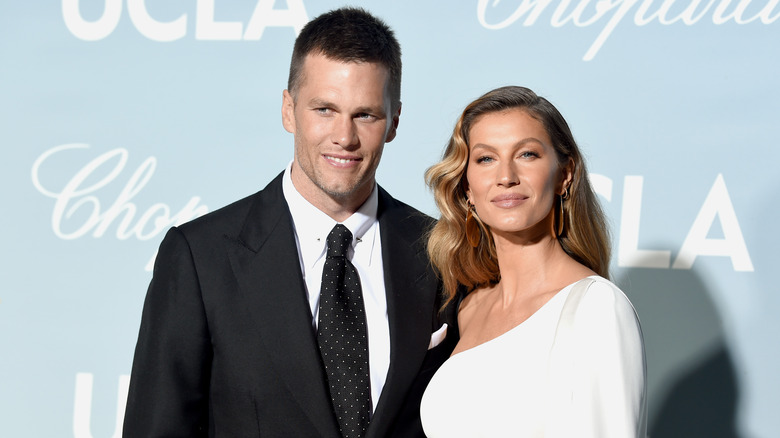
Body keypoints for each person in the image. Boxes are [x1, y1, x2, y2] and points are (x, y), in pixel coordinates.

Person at [123, 7, 455, 438]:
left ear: (393, 121)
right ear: (288, 110)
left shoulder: (442, 252)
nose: (344, 136)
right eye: (324, 110)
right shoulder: (201, 257)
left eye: (365, 114)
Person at [420, 86, 647, 437]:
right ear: (467, 187)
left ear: (565, 174)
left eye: (527, 154)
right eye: (485, 159)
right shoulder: (466, 308)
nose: (506, 176)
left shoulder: (596, 307)